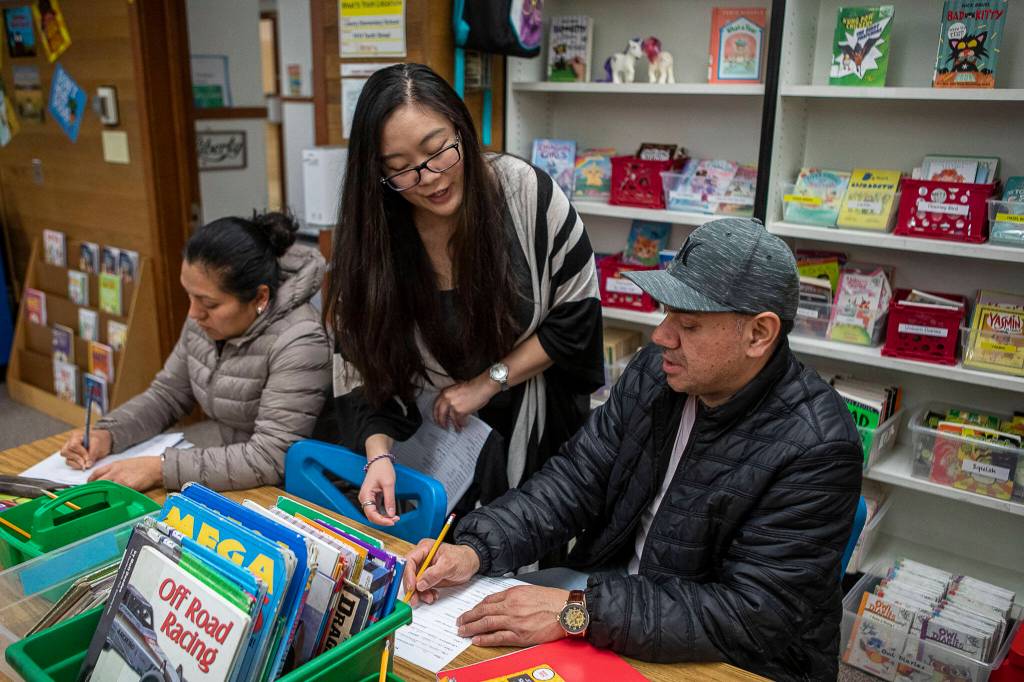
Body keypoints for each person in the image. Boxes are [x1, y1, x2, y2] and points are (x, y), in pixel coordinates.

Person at [402, 218, 864, 681]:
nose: (661, 336)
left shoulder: (819, 446)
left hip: (728, 660)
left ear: (759, 335)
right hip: (610, 606)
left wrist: (576, 613)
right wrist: (475, 548)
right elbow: (574, 481)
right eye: (666, 314)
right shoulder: (656, 375)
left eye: (688, 324)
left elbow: (748, 615)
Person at [323, 63, 603, 527]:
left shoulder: (527, 197)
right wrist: (377, 458)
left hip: (539, 435)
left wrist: (486, 382)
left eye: (438, 152)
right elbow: (361, 364)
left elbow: (575, 321)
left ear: (461, 128)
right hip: (434, 452)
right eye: (401, 170)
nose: (429, 178)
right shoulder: (375, 233)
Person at [59, 212, 332, 492]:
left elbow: (270, 456)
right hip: (240, 478)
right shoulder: (204, 323)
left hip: (301, 494)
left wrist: (161, 468)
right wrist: (110, 433)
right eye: (189, 296)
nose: (193, 313)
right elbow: (167, 395)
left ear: (260, 297)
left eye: (209, 303)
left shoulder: (300, 340)